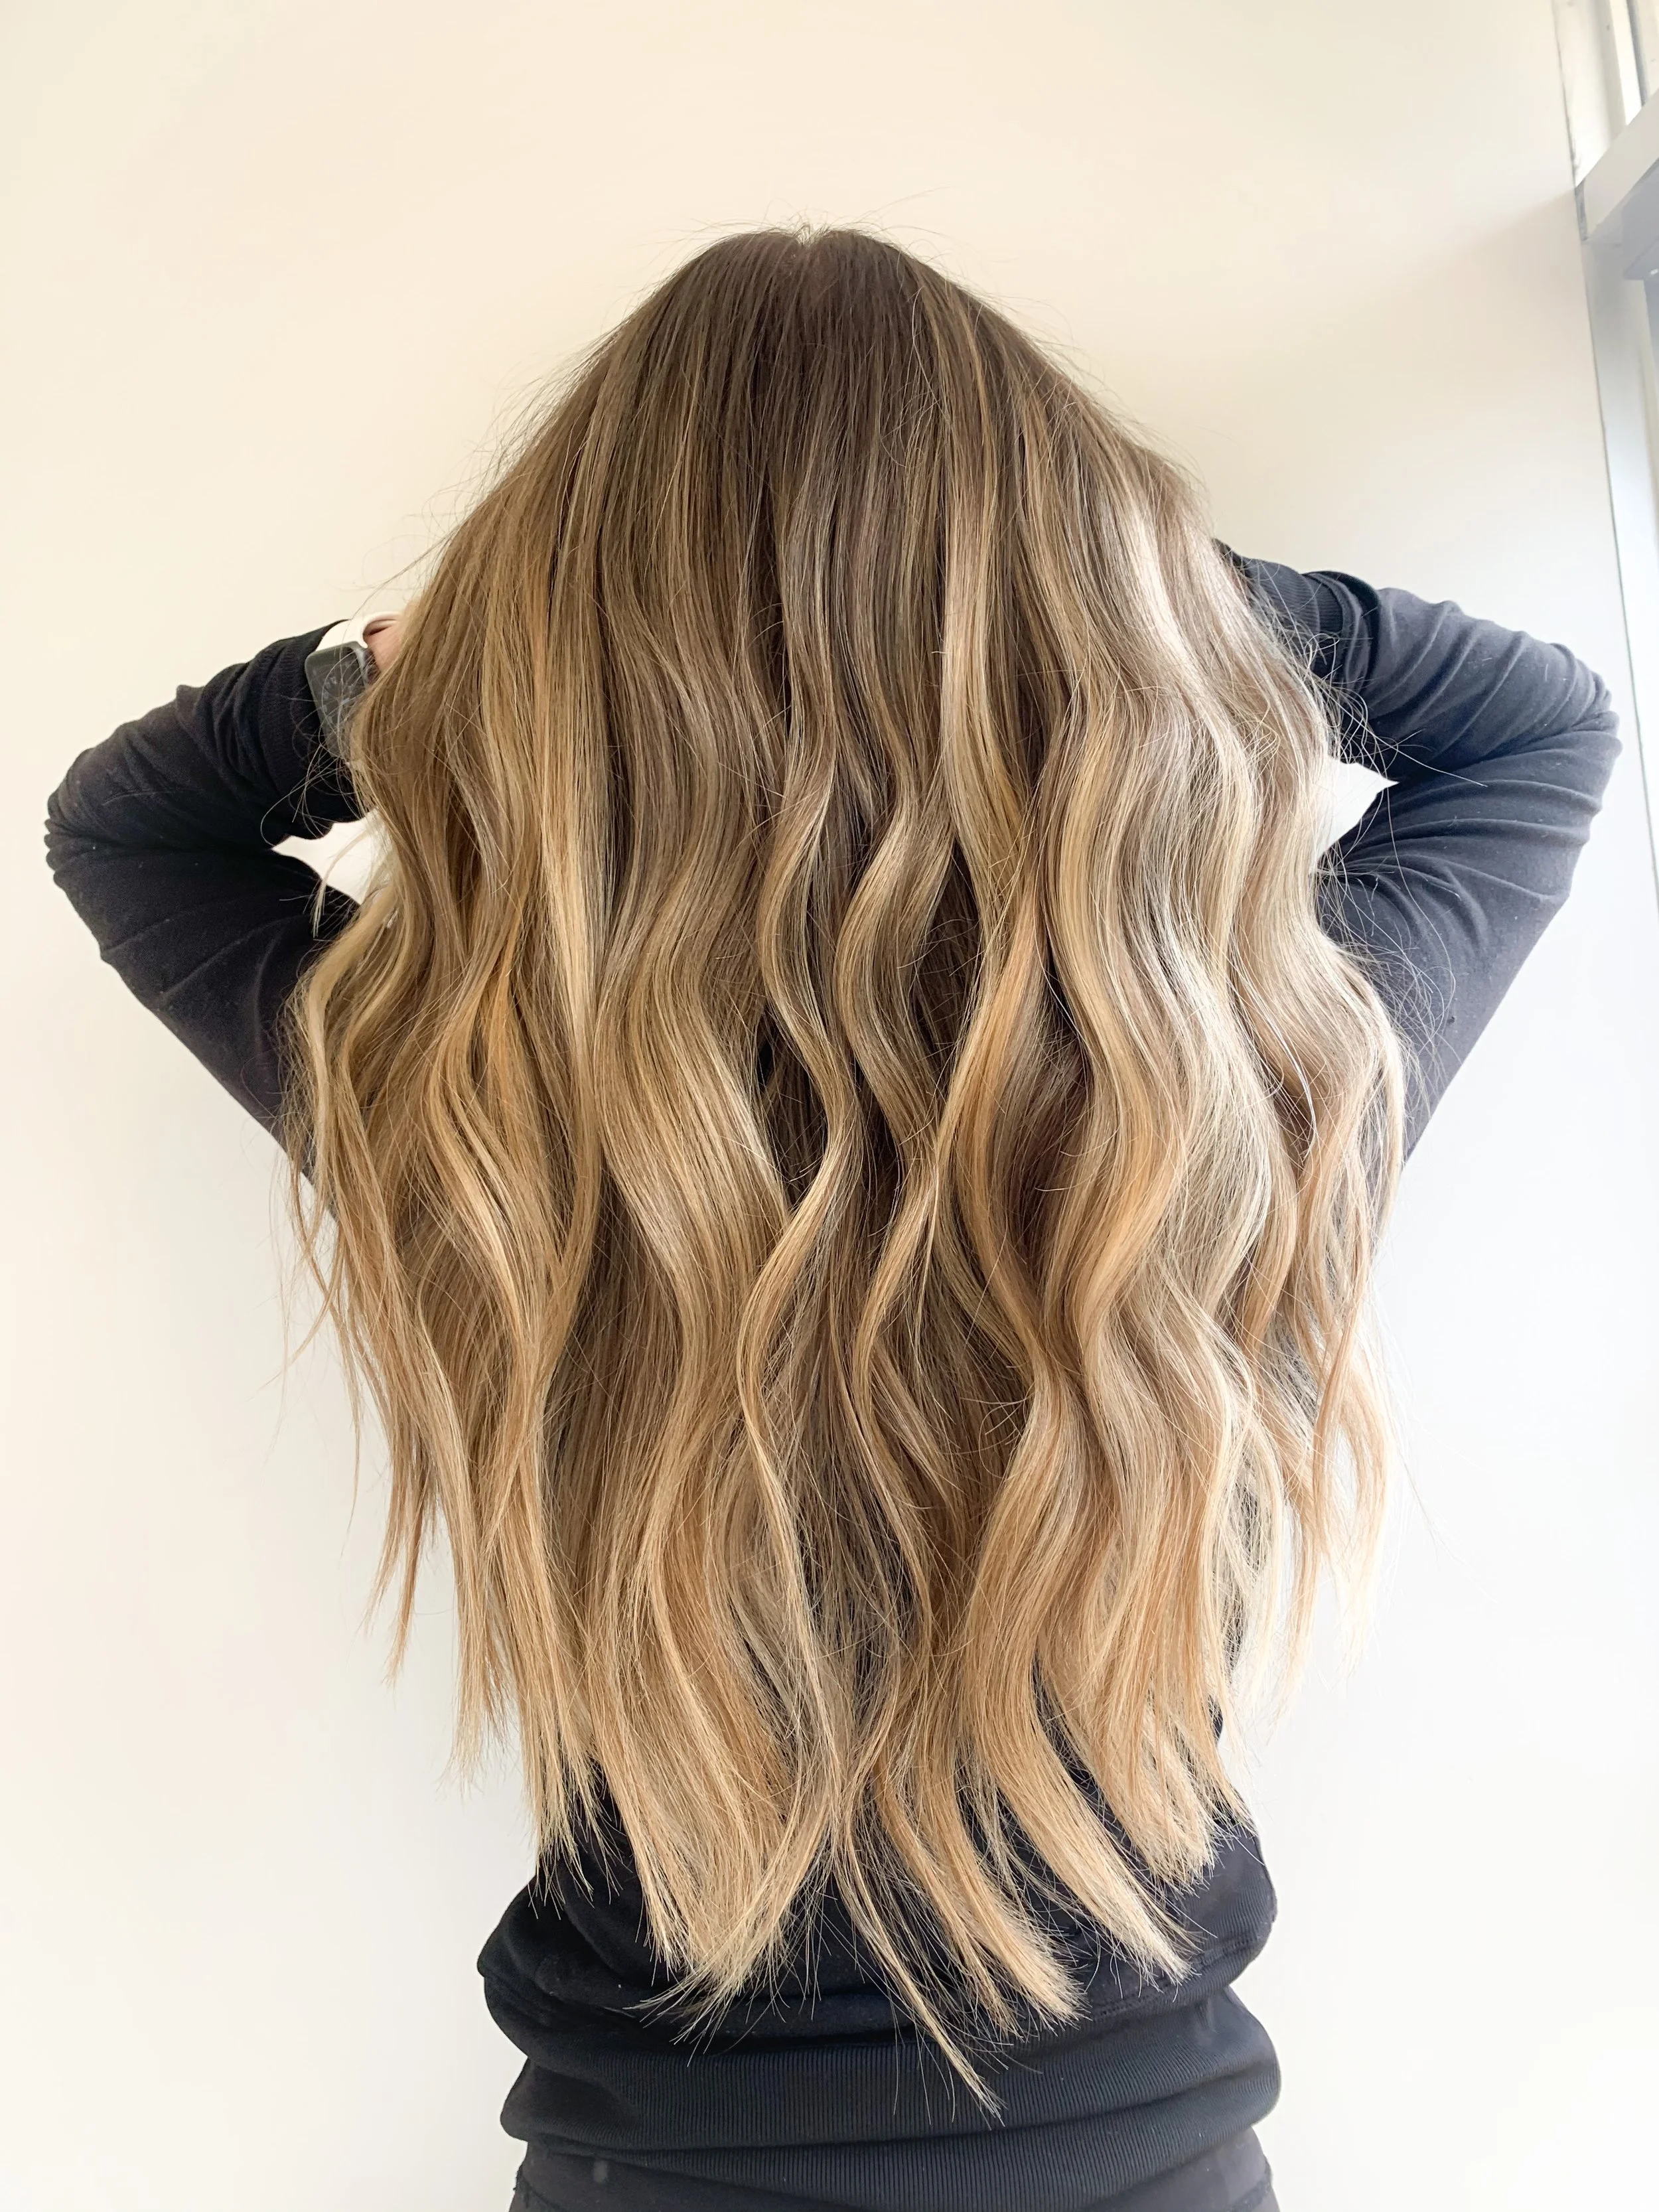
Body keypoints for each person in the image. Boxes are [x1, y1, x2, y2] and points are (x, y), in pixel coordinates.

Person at [42, 226, 1621, 2212]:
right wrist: (1144, 596)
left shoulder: (487, 1115)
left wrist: (438, 652)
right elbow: (1535, 730)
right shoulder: (1232, 1097)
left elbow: (132, 826)